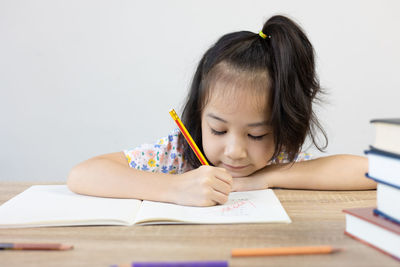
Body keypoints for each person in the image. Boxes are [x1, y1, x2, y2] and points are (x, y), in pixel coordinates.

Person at [67, 15, 376, 206]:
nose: (234, 151)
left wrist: (266, 177)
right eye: (218, 130)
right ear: (198, 115)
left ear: (283, 126)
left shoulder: (278, 156)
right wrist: (175, 188)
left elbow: (376, 172)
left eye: (256, 134)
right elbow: (83, 174)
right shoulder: (177, 154)